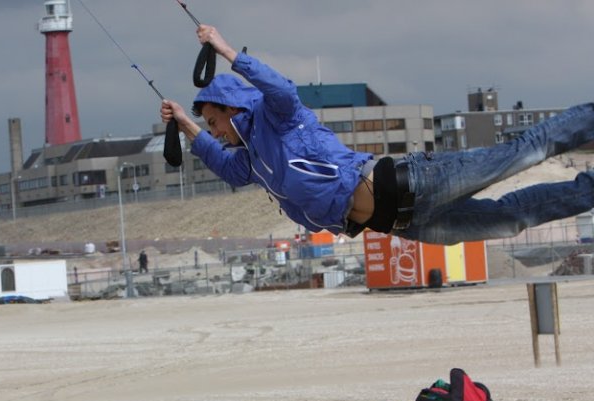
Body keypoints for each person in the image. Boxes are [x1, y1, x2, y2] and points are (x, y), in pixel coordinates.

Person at [161, 25, 594, 245]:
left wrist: (226, 51)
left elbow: (281, 88)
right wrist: (185, 123)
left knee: (523, 153)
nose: (217, 134)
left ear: (233, 108)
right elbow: (223, 166)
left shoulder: (279, 117)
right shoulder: (252, 162)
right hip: (404, 222)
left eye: (215, 123)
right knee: (511, 219)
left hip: (412, 182)